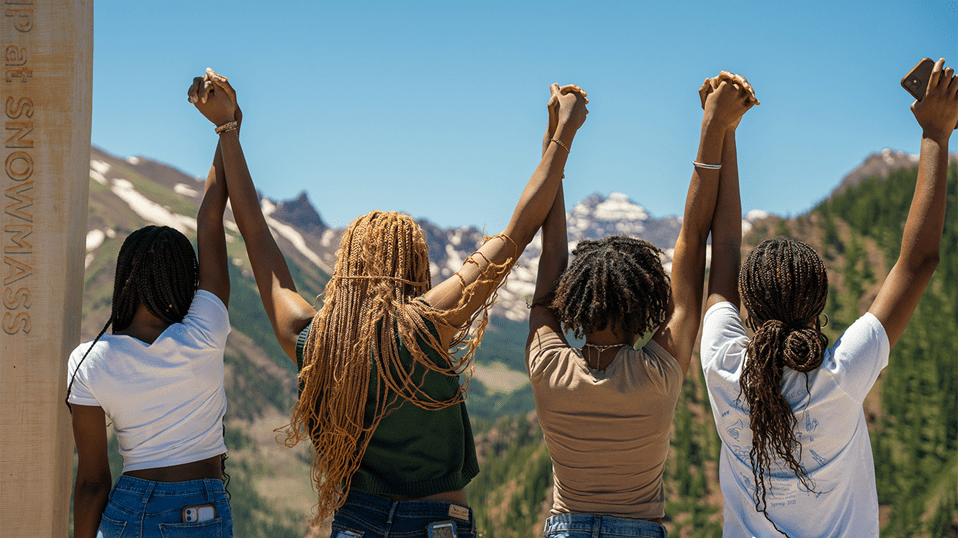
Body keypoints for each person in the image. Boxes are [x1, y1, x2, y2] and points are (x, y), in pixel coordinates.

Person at [186, 69, 588, 537]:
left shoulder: (310, 338)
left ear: (345, 264)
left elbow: (256, 235)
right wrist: (561, 136)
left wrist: (228, 130)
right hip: (435, 525)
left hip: (356, 522)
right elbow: (518, 231)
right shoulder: (425, 325)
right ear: (414, 266)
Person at [700, 58, 957, 537]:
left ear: (747, 309)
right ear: (819, 307)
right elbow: (918, 261)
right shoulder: (838, 377)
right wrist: (937, 133)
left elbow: (726, 247)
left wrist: (724, 130)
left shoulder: (722, 365)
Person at [526, 73, 757, 538]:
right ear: (646, 307)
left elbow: (551, 251)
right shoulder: (656, 372)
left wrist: (558, 137)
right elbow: (695, 246)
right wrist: (715, 129)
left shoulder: (548, 366)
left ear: (572, 298)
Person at [67, 132, 234, 534]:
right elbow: (210, 218)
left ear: (123, 280)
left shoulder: (88, 361)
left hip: (131, 511)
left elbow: (92, 483)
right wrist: (227, 129)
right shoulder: (204, 331)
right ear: (185, 285)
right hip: (206, 510)